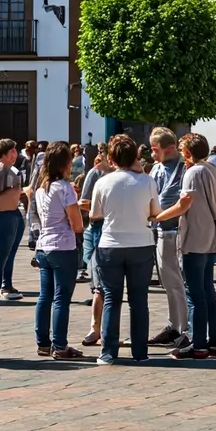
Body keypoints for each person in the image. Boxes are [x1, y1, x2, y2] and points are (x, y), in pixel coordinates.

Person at [89, 135, 161, 365]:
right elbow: (155, 212)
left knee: (112, 298)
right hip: (141, 242)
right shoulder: (147, 181)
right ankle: (140, 352)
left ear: (111, 159)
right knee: (139, 300)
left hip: (110, 244)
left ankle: (108, 352)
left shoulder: (103, 182)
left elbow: (94, 214)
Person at [153, 133, 216, 359]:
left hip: (195, 235)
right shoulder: (213, 169)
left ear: (187, 152)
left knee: (195, 294)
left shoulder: (193, 172)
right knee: (208, 291)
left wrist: (158, 216)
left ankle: (197, 343)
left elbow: (184, 203)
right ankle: (214, 341)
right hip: (210, 236)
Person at [27, 141, 84, 359]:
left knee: (45, 296)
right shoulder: (64, 187)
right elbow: (76, 223)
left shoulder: (43, 188)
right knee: (61, 297)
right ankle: (60, 345)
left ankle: (43, 342)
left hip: (44, 245)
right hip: (63, 245)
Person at [147, 127, 190, 350]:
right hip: (158, 230)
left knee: (175, 281)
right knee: (167, 281)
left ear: (170, 148)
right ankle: (174, 325)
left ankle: (183, 329)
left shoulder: (183, 170)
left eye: (156, 150)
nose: (153, 155)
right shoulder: (156, 169)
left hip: (174, 231)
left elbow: (172, 201)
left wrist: (156, 213)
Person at [0, 139, 25, 300]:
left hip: (12, 213)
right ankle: (0, 285)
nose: (15, 154)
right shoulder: (1, 169)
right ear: (4, 154)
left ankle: (6, 282)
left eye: (15, 151)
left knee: (10, 252)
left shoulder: (8, 169)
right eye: (12, 152)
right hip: (3, 215)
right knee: (3, 252)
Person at [78, 153, 110, 346]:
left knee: (108, 287)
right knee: (99, 285)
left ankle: (106, 331)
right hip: (97, 227)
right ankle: (95, 328)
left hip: (116, 231)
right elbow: (84, 202)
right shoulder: (96, 174)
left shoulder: (134, 175)